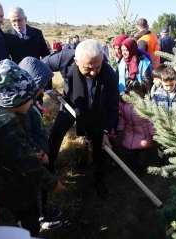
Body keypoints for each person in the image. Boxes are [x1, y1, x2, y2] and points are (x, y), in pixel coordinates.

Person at [0, 59, 66, 237]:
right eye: (29, 99)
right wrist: (53, 184)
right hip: (18, 189)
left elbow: (15, 153)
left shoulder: (0, 117)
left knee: (21, 218)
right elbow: (28, 166)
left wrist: (30, 151)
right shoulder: (8, 130)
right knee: (28, 224)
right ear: (15, 99)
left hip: (6, 186)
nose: (32, 102)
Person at [43, 39, 119, 198]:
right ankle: (48, 170)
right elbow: (41, 65)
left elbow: (113, 105)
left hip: (96, 109)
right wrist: (47, 87)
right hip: (71, 105)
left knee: (100, 144)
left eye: (97, 66)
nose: (93, 72)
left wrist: (106, 129)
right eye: (88, 68)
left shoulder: (109, 73)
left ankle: (99, 179)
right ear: (76, 61)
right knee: (56, 134)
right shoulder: (65, 58)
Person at [18, 57, 62, 230]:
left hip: (42, 153)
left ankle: (43, 209)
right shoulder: (24, 109)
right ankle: (40, 219)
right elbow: (27, 135)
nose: (43, 89)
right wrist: (39, 152)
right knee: (35, 190)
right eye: (40, 86)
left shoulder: (31, 103)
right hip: (37, 156)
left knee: (42, 189)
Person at [117, 81, 156, 175]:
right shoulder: (125, 107)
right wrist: (120, 128)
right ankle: (134, 166)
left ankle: (141, 168)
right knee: (131, 151)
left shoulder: (144, 106)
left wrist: (153, 133)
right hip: (130, 132)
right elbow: (122, 118)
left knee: (140, 151)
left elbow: (149, 121)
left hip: (142, 133)